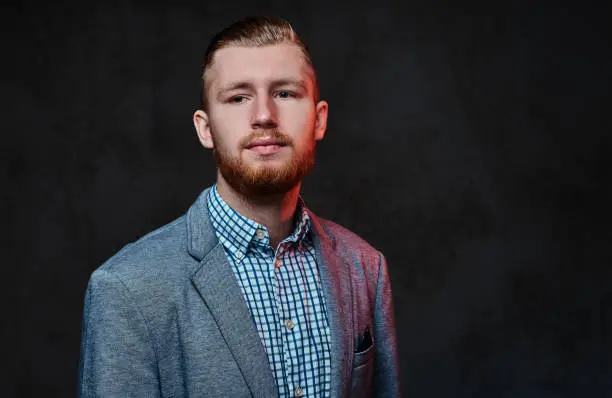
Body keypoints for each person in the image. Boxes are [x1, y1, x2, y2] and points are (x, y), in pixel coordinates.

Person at [78, 15, 401, 398]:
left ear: (318, 119)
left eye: (285, 93)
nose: (264, 115)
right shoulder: (127, 289)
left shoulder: (365, 267)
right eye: (238, 97)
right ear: (205, 128)